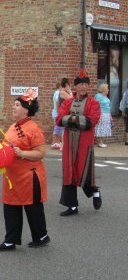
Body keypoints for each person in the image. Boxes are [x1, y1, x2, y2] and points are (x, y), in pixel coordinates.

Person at [0, 88, 49, 252]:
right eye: (14, 104)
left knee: (33, 208)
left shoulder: (34, 129)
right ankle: (10, 241)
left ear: (26, 109)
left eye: (17, 105)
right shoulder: (12, 126)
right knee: (10, 207)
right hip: (12, 176)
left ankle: (41, 236)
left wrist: (22, 153)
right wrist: (0, 166)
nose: (13, 107)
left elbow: (41, 153)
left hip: (29, 176)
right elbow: (6, 149)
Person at [56, 69, 102, 217]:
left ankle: (95, 192)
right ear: (75, 86)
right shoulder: (68, 102)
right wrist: (71, 119)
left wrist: (73, 120)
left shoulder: (94, 103)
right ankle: (72, 206)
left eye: (86, 84)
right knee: (69, 174)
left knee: (84, 172)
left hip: (84, 144)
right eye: (81, 84)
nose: (83, 87)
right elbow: (59, 119)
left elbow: (93, 121)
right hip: (69, 143)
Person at [57, 77, 73, 150]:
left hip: (66, 112)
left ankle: (64, 145)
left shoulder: (63, 92)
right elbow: (72, 100)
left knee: (66, 128)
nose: (71, 86)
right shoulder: (63, 92)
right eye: (70, 84)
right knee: (65, 129)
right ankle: (63, 145)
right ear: (66, 84)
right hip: (64, 113)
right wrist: (70, 92)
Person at [94, 84, 112, 148]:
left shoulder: (106, 97)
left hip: (107, 114)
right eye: (107, 89)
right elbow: (96, 106)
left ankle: (102, 142)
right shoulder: (98, 96)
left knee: (104, 128)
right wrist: (98, 116)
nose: (108, 90)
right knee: (100, 127)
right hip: (101, 114)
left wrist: (110, 115)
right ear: (103, 89)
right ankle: (100, 142)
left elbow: (108, 107)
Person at [51, 81, 62, 149]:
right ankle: (54, 142)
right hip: (57, 113)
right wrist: (59, 111)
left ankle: (57, 142)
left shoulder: (56, 92)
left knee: (58, 128)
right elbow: (58, 101)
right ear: (60, 87)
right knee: (57, 128)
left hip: (55, 113)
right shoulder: (58, 93)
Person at [119, 81, 128, 146]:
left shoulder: (126, 93)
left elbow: (123, 102)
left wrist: (123, 111)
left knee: (127, 126)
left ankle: (127, 141)